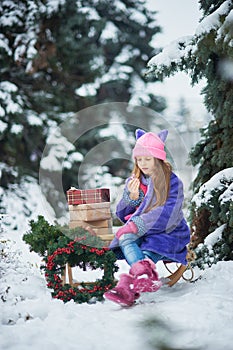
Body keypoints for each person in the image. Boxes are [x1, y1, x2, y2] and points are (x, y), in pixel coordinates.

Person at [104, 128, 190, 306]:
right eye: (139, 159)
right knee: (124, 236)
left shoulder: (172, 182)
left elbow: (169, 212)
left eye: (147, 159)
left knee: (146, 247)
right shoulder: (134, 180)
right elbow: (122, 214)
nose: (143, 163)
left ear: (158, 159)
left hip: (168, 231)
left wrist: (138, 224)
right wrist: (132, 198)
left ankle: (128, 288)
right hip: (141, 230)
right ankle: (142, 276)